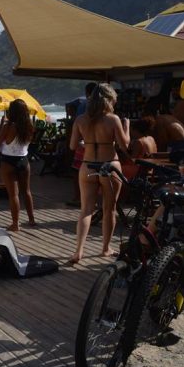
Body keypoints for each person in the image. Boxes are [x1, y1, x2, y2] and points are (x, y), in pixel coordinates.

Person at [69, 83, 130, 264]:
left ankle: (78, 250)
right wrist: (126, 127)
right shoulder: (113, 119)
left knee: (85, 210)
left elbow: (73, 146)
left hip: (87, 166)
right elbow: (124, 145)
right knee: (109, 209)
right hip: (109, 166)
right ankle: (105, 248)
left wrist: (87, 144)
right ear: (109, 100)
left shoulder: (81, 119)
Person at [0, 99, 36, 231]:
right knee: (27, 192)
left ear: (11, 112)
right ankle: (31, 219)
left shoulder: (9, 126)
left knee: (13, 194)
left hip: (8, 161)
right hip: (24, 160)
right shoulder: (29, 125)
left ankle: (15, 223)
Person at [67, 82, 97, 207]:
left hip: (83, 142)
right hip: (99, 145)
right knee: (95, 172)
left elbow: (78, 124)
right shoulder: (103, 107)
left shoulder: (84, 104)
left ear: (87, 92)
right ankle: (93, 199)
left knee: (77, 170)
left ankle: (78, 197)